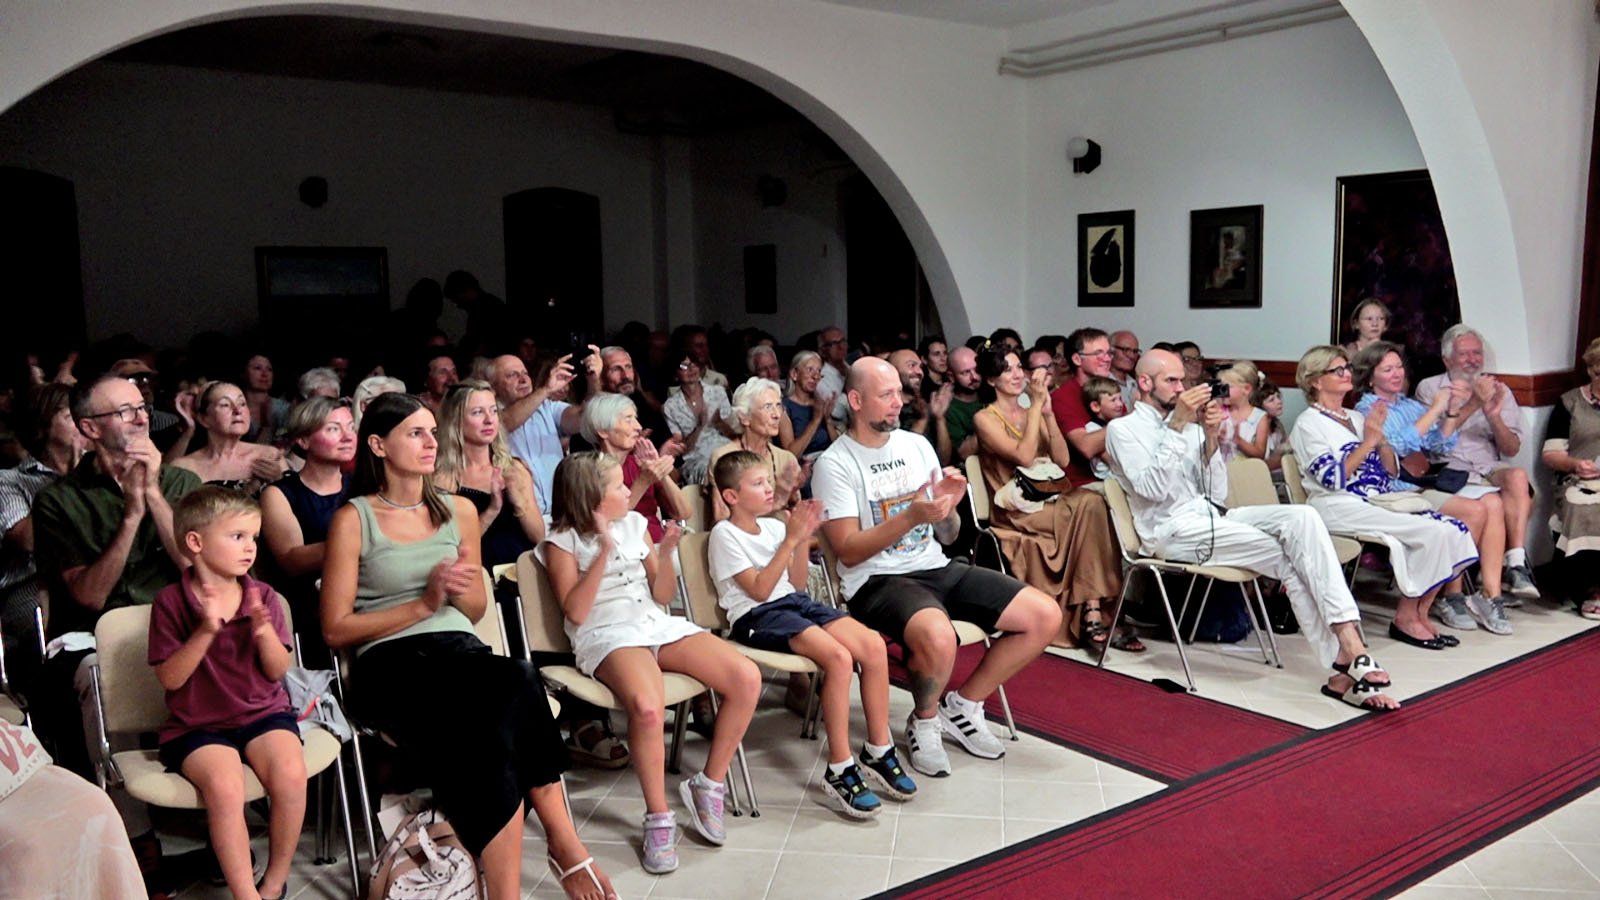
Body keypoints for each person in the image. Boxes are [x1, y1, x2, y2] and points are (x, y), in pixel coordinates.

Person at [320, 392, 612, 900]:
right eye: (415, 433)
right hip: (390, 664)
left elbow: (475, 609)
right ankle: (562, 848)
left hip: (459, 652)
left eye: (433, 432)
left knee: (514, 683)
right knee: (498, 711)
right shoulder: (354, 518)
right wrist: (424, 603)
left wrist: (458, 587)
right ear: (378, 445)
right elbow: (335, 630)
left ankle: (536, 864)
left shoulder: (458, 510)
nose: (430, 443)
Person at [1107, 350, 1399, 710]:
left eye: (1183, 380)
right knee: (1291, 555)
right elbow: (1152, 490)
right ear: (1145, 382)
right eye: (1172, 380)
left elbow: (1216, 493)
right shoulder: (1122, 430)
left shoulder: (1191, 428)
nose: (1182, 388)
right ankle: (1349, 654)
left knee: (1304, 518)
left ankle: (1346, 657)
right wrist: (1177, 427)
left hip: (1212, 518)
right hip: (1171, 532)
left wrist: (1210, 439)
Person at [813, 357, 1060, 777]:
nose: (898, 402)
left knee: (1044, 615)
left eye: (899, 392)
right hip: (876, 579)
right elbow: (849, 552)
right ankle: (924, 721)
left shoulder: (916, 445)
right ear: (855, 400)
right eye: (886, 395)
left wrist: (948, 507)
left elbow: (947, 535)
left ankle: (962, 705)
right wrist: (911, 516)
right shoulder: (834, 463)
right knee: (939, 635)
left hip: (934, 565)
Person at [538, 452, 761, 874]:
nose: (629, 490)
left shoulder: (635, 524)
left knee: (746, 677)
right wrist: (604, 550)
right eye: (618, 486)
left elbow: (661, 595)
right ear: (592, 497)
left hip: (652, 623)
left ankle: (709, 783)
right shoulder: (561, 541)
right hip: (605, 633)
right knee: (647, 707)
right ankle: (658, 816)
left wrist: (668, 551)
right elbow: (577, 613)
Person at [30, 373, 202, 889]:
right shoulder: (59, 501)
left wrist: (153, 496)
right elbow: (89, 596)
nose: (141, 418)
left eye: (141, 407)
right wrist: (130, 517)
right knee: (102, 676)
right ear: (90, 428)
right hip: (96, 634)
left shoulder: (181, 484)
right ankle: (137, 838)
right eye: (124, 412)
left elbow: (197, 570)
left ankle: (221, 817)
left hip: (178, 625)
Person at [709, 452, 917, 817]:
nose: (768, 488)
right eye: (758, 483)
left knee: (871, 645)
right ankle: (840, 767)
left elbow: (796, 584)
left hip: (793, 602)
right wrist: (792, 540)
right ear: (731, 496)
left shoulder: (774, 527)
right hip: (756, 614)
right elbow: (759, 590)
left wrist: (802, 537)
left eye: (768, 480)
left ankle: (878, 749)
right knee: (837, 658)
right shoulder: (723, 535)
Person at [149, 487, 305, 900]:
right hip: (197, 726)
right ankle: (245, 894)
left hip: (263, 714)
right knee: (225, 787)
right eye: (237, 536)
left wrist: (262, 629)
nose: (250, 547)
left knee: (291, 775)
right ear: (196, 542)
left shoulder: (263, 596)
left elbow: (277, 670)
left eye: (254, 537)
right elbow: (170, 679)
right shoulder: (169, 602)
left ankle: (273, 884)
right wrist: (206, 630)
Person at [1288, 345, 1481, 651]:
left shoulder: (1355, 416)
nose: (1346, 374)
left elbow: (1389, 472)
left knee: (1453, 529)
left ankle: (1420, 613)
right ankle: (1405, 617)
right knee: (1431, 532)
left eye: (1347, 368)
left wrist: (1382, 443)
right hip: (1337, 504)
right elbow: (1333, 479)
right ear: (1316, 381)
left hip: (1376, 498)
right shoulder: (1308, 424)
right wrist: (1368, 442)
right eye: (1337, 370)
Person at [1351, 341, 1513, 636]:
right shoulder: (1367, 408)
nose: (1397, 374)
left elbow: (1439, 445)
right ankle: (1450, 595)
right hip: (1393, 490)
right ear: (1370, 376)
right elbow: (1396, 447)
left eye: (1399, 367)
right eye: (1387, 370)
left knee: (1491, 503)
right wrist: (1436, 408)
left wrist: (1450, 414)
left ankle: (1481, 594)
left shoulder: (1409, 405)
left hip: (1421, 483)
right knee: (1473, 512)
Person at [972, 347, 1130, 651]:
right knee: (1089, 505)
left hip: (1049, 495)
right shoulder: (985, 418)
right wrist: (1034, 408)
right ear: (991, 380)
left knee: (1093, 503)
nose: (1017, 375)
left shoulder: (1034, 409)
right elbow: (1024, 456)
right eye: (1007, 370)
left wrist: (1047, 415)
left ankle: (1091, 607)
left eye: (1018, 367)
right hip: (1015, 507)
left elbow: (1061, 459)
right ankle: (1095, 611)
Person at [1415, 325, 1539, 600]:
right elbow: (1432, 444)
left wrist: (1493, 416)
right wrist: (1474, 403)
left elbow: (1511, 449)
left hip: (1488, 466)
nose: (1473, 360)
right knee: (1495, 503)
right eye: (1464, 354)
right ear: (1447, 360)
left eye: (1477, 353)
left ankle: (1516, 564)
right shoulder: (1430, 388)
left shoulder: (1498, 389)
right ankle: (1486, 582)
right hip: (1449, 469)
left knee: (1518, 477)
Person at [258, 397, 355, 665]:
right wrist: (357, 541)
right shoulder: (279, 494)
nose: (348, 437)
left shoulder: (362, 487)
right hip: (310, 605)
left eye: (351, 428)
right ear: (303, 440)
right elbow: (292, 560)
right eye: (333, 429)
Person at [0, 384, 84, 684]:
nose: (83, 422)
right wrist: (74, 482)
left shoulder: (102, 472)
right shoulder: (10, 480)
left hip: (93, 574)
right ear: (43, 425)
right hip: (31, 584)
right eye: (70, 416)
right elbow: (28, 540)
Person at [432, 380, 544, 567]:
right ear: (455, 420)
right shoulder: (442, 478)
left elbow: (539, 537)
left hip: (520, 571)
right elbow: (450, 548)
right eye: (478, 412)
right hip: (475, 573)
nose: (489, 420)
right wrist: (492, 510)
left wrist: (519, 504)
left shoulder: (514, 469)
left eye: (493, 411)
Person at [488, 350, 601, 517]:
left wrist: (594, 382)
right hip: (520, 518)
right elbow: (505, 423)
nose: (523, 379)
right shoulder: (488, 417)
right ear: (492, 387)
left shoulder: (547, 407)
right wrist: (546, 389)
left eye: (525, 373)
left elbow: (585, 418)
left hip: (562, 515)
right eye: (512, 375)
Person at [1542, 336, 1600, 617]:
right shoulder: (1570, 403)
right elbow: (1551, 455)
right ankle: (1592, 588)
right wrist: (1576, 464)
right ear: (1590, 371)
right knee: (1583, 505)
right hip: (1579, 480)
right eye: (1599, 373)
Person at [582, 394, 691, 540]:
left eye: (636, 419)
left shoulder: (639, 464)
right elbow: (608, 520)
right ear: (602, 430)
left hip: (657, 544)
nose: (639, 427)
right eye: (628, 420)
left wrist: (660, 470)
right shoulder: (589, 470)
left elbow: (683, 513)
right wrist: (643, 482)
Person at [707, 378, 804, 522]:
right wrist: (777, 503)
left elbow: (798, 515)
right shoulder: (723, 457)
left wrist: (792, 498)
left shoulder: (786, 459)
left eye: (778, 406)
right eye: (768, 407)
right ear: (744, 417)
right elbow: (722, 518)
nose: (777, 415)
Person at [173, 382, 290, 495]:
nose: (238, 411)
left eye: (242, 404)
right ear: (204, 419)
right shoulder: (184, 468)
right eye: (225, 405)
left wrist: (279, 480)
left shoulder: (269, 456)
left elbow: (296, 502)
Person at [1048, 328, 1117, 488]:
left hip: (1114, 477)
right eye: (1099, 353)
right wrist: (1127, 422)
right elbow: (1087, 447)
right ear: (1077, 359)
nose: (1107, 359)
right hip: (1082, 485)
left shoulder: (1110, 389)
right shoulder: (1063, 397)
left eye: (1108, 353)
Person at [662, 355, 736, 486]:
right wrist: (700, 426)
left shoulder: (717, 392)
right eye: (684, 366)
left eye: (694, 364)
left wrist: (719, 423)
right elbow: (683, 450)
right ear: (675, 374)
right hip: (695, 459)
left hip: (724, 447)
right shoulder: (670, 406)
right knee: (711, 470)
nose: (691, 369)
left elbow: (734, 436)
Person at [889, 349, 952, 463]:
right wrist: (922, 419)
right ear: (893, 371)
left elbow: (943, 461)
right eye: (911, 365)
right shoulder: (888, 411)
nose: (920, 372)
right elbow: (903, 458)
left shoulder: (927, 407)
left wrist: (940, 418)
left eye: (920, 367)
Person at [780, 350, 836, 461]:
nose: (816, 376)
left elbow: (838, 446)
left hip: (829, 459)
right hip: (805, 465)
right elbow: (791, 455)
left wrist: (828, 419)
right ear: (794, 374)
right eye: (810, 369)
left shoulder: (820, 404)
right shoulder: (783, 407)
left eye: (819, 371)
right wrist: (815, 421)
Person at [1217, 360, 1270, 463]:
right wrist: (1215, 438)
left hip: (1246, 471)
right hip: (1221, 469)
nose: (1222, 391)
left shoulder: (1259, 417)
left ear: (1246, 389)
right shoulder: (1219, 412)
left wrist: (1239, 441)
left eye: (1227, 387)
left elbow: (1260, 454)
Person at [1079, 375, 1125, 482]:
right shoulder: (1093, 428)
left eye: (1120, 399)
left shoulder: (1117, 422)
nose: (1120, 404)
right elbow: (1112, 461)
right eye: (1113, 400)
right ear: (1096, 406)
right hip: (1110, 480)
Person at [943, 345, 984, 465]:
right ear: (951, 376)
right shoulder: (949, 408)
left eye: (977, 370)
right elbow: (964, 453)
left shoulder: (990, 393)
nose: (974, 377)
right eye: (966, 372)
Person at [242, 354, 290, 446]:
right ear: (243, 373)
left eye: (269, 369)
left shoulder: (284, 408)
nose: (265, 374)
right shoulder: (236, 410)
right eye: (257, 368)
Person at [1250, 377, 1290, 474]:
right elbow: (1256, 467)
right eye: (1271, 400)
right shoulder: (1252, 430)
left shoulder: (1277, 426)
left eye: (1278, 397)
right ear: (1259, 406)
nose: (1279, 401)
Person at [1109, 330, 1141, 411]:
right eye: (1126, 350)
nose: (1132, 356)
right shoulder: (1101, 384)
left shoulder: (1137, 385)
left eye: (1135, 351)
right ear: (1111, 351)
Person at [816, 326, 850, 401]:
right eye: (834, 343)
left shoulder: (852, 368)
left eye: (843, 341)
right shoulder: (821, 380)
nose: (841, 347)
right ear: (822, 352)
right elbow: (837, 407)